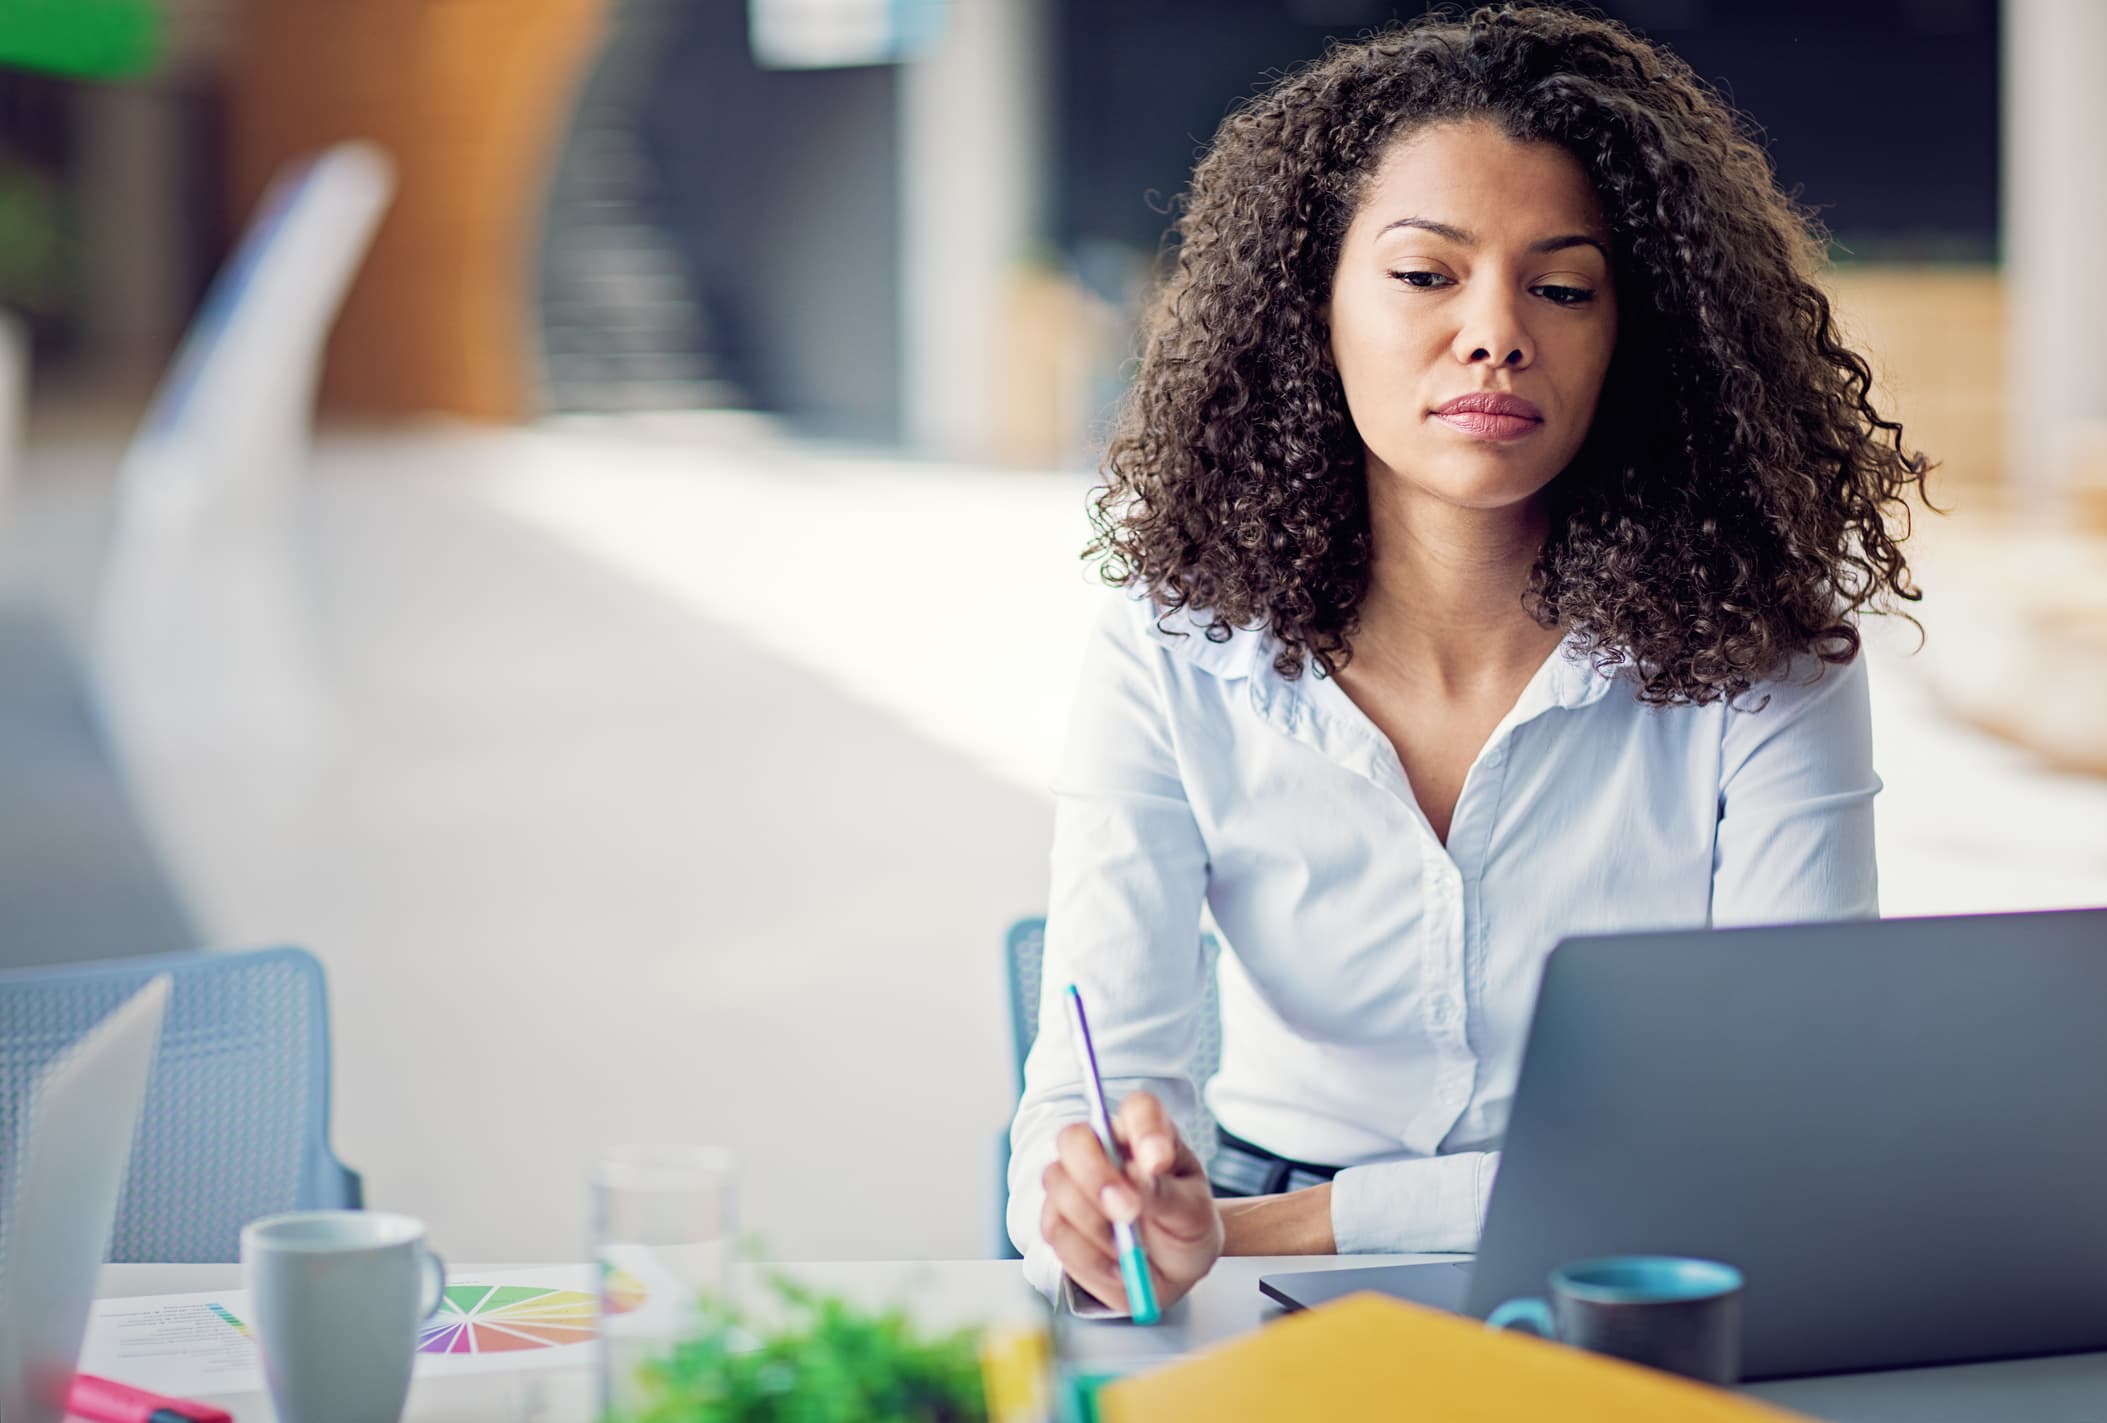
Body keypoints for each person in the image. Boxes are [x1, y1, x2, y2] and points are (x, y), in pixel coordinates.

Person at [1007, 4, 1931, 1316]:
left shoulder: (1764, 652)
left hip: (1633, 1251)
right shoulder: (1174, 650)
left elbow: (1786, 1121)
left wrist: (1295, 1224)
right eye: (1426, 275)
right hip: (1249, 1241)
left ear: (1640, 338)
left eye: (1564, 286)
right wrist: (1094, 1204)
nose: (1497, 332)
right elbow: (1083, 1102)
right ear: (1306, 304)